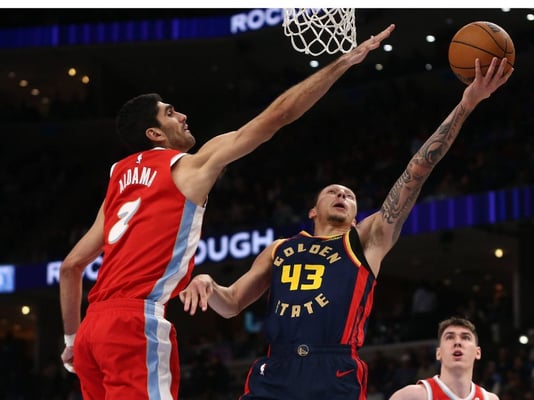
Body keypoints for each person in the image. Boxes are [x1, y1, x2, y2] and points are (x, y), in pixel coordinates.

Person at [58, 24, 396, 400]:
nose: (182, 115)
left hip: (91, 330)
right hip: (132, 319)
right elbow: (277, 116)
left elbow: (71, 266)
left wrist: (72, 340)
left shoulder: (118, 179)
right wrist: (343, 63)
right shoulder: (189, 166)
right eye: (170, 113)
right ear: (154, 134)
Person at [180, 56, 513, 400]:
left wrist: (466, 104)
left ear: (355, 217)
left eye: (349, 195)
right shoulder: (280, 249)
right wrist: (209, 284)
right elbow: (232, 303)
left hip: (334, 370)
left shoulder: (365, 241)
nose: (341, 194)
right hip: (276, 369)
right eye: (333, 192)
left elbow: (416, 172)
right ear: (312, 210)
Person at [388, 317, 499, 400]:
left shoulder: (490, 399)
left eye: (465, 337)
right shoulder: (412, 396)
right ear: (438, 353)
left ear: (477, 353)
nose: (457, 342)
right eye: (450, 337)